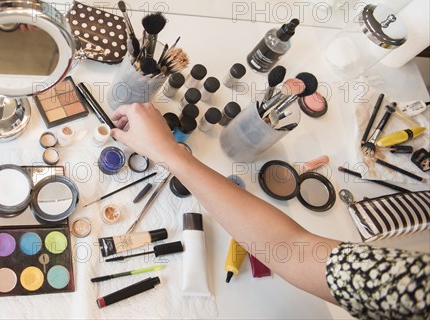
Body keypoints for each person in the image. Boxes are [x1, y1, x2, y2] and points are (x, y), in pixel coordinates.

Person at [109, 103, 429, 319]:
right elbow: (290, 249)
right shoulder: (415, 284)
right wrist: (172, 155)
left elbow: (290, 250)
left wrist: (172, 155)